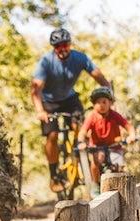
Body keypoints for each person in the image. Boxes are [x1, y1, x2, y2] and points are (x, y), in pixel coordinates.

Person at [30, 27, 111, 191]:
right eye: (58, 46)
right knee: (52, 135)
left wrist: (109, 96)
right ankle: (54, 176)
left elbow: (100, 77)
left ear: (70, 44)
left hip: (70, 99)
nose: (62, 49)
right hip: (49, 102)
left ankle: (84, 161)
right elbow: (35, 91)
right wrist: (40, 111)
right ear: (54, 48)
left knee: (81, 130)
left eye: (65, 45)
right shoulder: (45, 63)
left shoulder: (79, 58)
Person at [77, 87, 137, 186]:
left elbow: (128, 126)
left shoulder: (115, 115)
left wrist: (132, 136)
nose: (101, 105)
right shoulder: (92, 116)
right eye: (98, 102)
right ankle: (95, 185)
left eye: (104, 102)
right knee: (96, 162)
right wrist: (81, 142)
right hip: (97, 147)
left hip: (114, 146)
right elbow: (83, 131)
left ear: (110, 103)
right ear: (93, 105)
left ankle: (121, 187)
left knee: (119, 166)